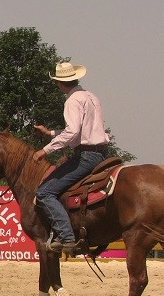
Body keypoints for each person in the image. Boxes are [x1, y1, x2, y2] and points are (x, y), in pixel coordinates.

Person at [32, 61, 110, 255]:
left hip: (86, 156)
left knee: (44, 193)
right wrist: (50, 132)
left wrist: (45, 150)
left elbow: (72, 132)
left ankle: (67, 237)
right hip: (103, 154)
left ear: (60, 83)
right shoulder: (92, 97)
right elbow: (80, 131)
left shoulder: (72, 101)